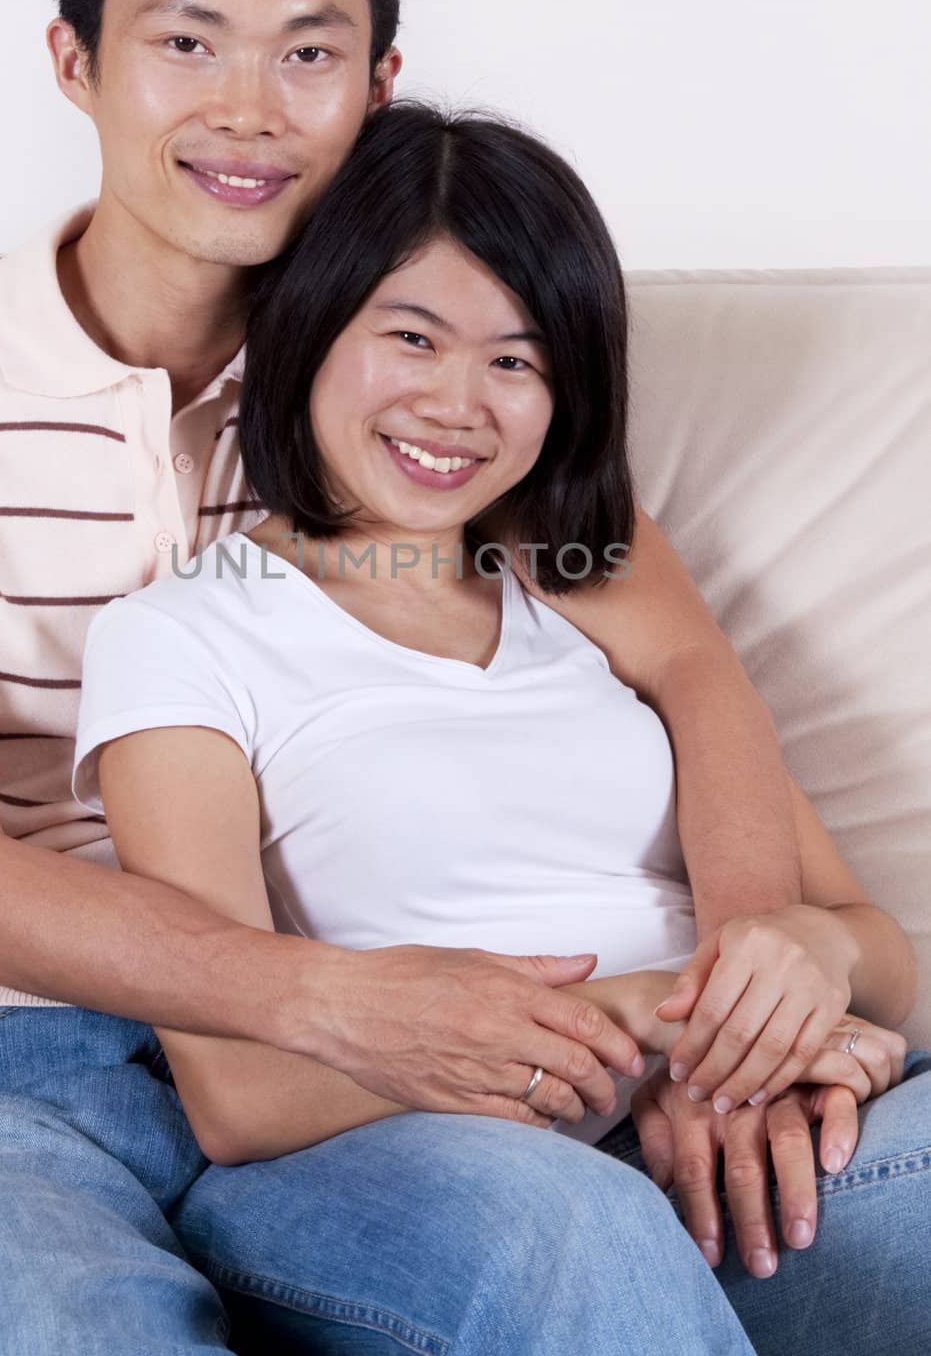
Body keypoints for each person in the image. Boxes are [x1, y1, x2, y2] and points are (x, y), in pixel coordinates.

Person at [0, 0, 907, 1354]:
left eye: (307, 52)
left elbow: (681, 656)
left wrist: (740, 996)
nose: (249, 108)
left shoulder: (401, 390)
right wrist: (314, 1003)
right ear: (75, 58)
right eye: (187, 40)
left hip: (412, 1067)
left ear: (376, 80)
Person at [70, 99, 929, 1354]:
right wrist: (685, 1031)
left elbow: (882, 962)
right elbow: (239, 1093)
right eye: (410, 336)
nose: (457, 404)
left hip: (733, 1129)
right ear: (309, 328)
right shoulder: (182, 635)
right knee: (573, 1233)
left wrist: (800, 975)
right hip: (419, 1168)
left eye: (515, 361)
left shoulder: (587, 568)